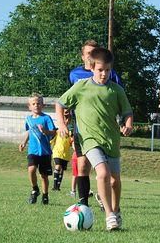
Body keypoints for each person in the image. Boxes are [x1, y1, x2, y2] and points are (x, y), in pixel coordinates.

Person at [56, 47, 133, 231]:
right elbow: (60, 103)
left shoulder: (116, 90)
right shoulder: (81, 86)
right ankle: (109, 215)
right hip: (89, 139)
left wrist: (128, 124)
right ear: (91, 68)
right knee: (103, 173)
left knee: (114, 180)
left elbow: (127, 112)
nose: (104, 74)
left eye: (107, 70)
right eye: (100, 70)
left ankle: (116, 209)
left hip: (111, 140)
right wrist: (62, 124)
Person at [68, 39, 123, 210]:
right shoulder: (75, 75)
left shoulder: (110, 74)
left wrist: (122, 120)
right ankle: (83, 203)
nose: (91, 55)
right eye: (88, 53)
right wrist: (67, 121)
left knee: (107, 172)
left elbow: (118, 97)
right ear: (83, 56)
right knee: (83, 165)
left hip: (106, 130)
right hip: (82, 128)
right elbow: (71, 99)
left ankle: (105, 198)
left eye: (94, 52)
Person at [19, 94, 57, 205]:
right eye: (34, 104)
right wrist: (24, 142)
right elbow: (29, 132)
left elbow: (53, 132)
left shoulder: (46, 118)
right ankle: (35, 189)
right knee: (31, 170)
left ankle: (45, 195)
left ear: (43, 105)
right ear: (29, 106)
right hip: (33, 151)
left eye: (39, 103)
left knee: (44, 176)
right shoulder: (28, 119)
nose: (36, 105)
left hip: (45, 152)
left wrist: (45, 131)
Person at [50, 109, 73, 192]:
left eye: (68, 120)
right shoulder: (57, 131)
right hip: (57, 152)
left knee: (62, 169)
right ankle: (54, 185)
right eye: (65, 119)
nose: (66, 121)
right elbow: (51, 140)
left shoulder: (70, 132)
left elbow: (70, 143)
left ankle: (58, 186)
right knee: (58, 166)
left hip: (65, 154)